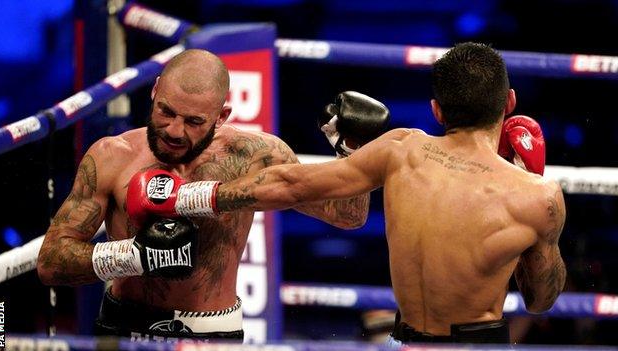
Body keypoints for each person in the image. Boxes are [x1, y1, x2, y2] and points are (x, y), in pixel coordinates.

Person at [143, 42, 567, 344]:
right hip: (479, 341)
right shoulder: (538, 196)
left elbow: (289, 183)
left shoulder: (401, 148)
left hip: (404, 340)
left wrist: (183, 197)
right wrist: (528, 178)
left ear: (436, 109)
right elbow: (540, 299)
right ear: (508, 102)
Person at [36, 49, 390, 341]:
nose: (175, 130)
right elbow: (51, 262)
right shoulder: (112, 155)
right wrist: (133, 256)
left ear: (221, 116)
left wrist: (352, 150)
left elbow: (347, 216)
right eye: (166, 112)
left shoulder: (255, 156)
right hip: (122, 327)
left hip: (212, 333)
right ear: (155, 91)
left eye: (193, 122)